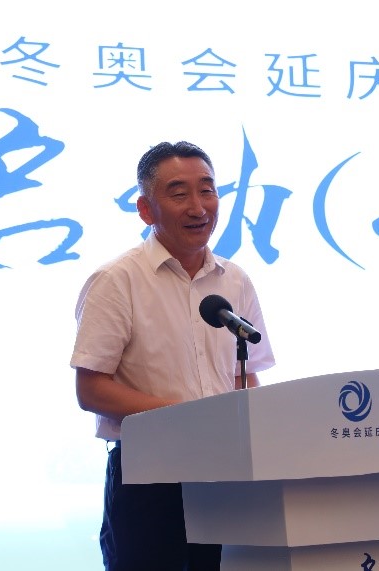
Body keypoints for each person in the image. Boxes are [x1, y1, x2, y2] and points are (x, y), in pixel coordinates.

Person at [69, 141, 276, 571]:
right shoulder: (116, 280)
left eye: (207, 190)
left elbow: (245, 376)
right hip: (149, 478)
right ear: (146, 210)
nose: (198, 207)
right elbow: (91, 390)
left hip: (226, 473)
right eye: (179, 194)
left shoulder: (234, 280)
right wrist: (184, 418)